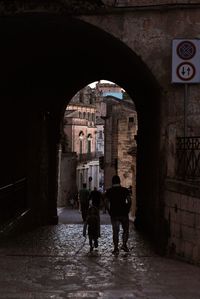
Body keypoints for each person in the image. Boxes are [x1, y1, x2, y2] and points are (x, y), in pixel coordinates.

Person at [105, 175, 131, 255]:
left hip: (114, 213)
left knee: (115, 231)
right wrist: (127, 209)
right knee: (125, 230)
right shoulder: (125, 190)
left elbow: (106, 202)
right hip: (124, 213)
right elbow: (129, 200)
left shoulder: (109, 191)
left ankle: (116, 248)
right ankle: (124, 244)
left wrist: (109, 210)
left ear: (112, 182)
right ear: (119, 181)